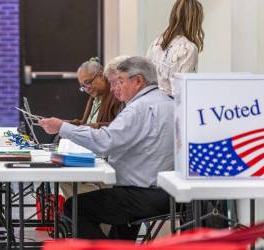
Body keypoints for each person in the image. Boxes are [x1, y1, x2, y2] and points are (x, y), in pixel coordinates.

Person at [39, 57, 174, 240]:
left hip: (142, 193)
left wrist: (62, 127)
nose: (115, 88)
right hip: (167, 192)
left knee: (76, 208)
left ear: (138, 81)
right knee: (119, 223)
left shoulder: (138, 108)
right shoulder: (168, 102)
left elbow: (105, 141)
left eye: (120, 81)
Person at [60, 58, 122, 199]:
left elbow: (119, 128)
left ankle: (94, 215)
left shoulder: (115, 96)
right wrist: (61, 124)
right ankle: (85, 215)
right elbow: (83, 123)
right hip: (89, 153)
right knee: (63, 178)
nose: (86, 89)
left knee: (67, 179)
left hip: (103, 158)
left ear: (101, 75)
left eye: (88, 82)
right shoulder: (94, 97)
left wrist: (93, 126)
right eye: (83, 86)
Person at [146, 0, 204, 96]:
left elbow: (146, 75)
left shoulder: (156, 42)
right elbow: (180, 89)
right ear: (195, 21)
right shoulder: (189, 48)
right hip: (172, 106)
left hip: (151, 101)